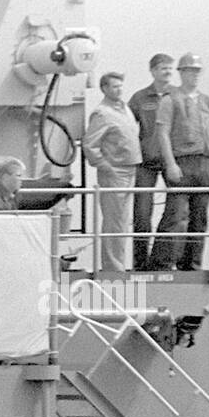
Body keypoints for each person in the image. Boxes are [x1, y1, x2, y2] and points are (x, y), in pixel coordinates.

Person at [148, 53, 209, 272]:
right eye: (191, 71)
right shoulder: (170, 100)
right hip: (182, 160)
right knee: (177, 215)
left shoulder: (206, 101)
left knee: (199, 217)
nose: (195, 75)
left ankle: (191, 264)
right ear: (182, 73)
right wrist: (170, 163)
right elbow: (162, 133)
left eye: (197, 71)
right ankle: (163, 262)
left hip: (203, 162)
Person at [82, 72, 142, 272]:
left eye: (120, 86)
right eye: (115, 86)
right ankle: (113, 266)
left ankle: (119, 263)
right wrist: (103, 164)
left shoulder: (124, 109)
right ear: (105, 89)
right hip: (114, 172)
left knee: (123, 221)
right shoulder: (102, 113)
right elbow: (90, 144)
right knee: (114, 220)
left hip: (130, 168)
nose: (119, 90)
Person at [130, 53, 177, 271]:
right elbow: (128, 127)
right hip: (146, 161)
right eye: (162, 68)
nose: (167, 72)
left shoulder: (179, 96)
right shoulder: (140, 98)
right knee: (141, 213)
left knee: (177, 210)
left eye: (170, 68)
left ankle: (164, 259)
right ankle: (140, 262)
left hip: (172, 160)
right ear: (153, 71)